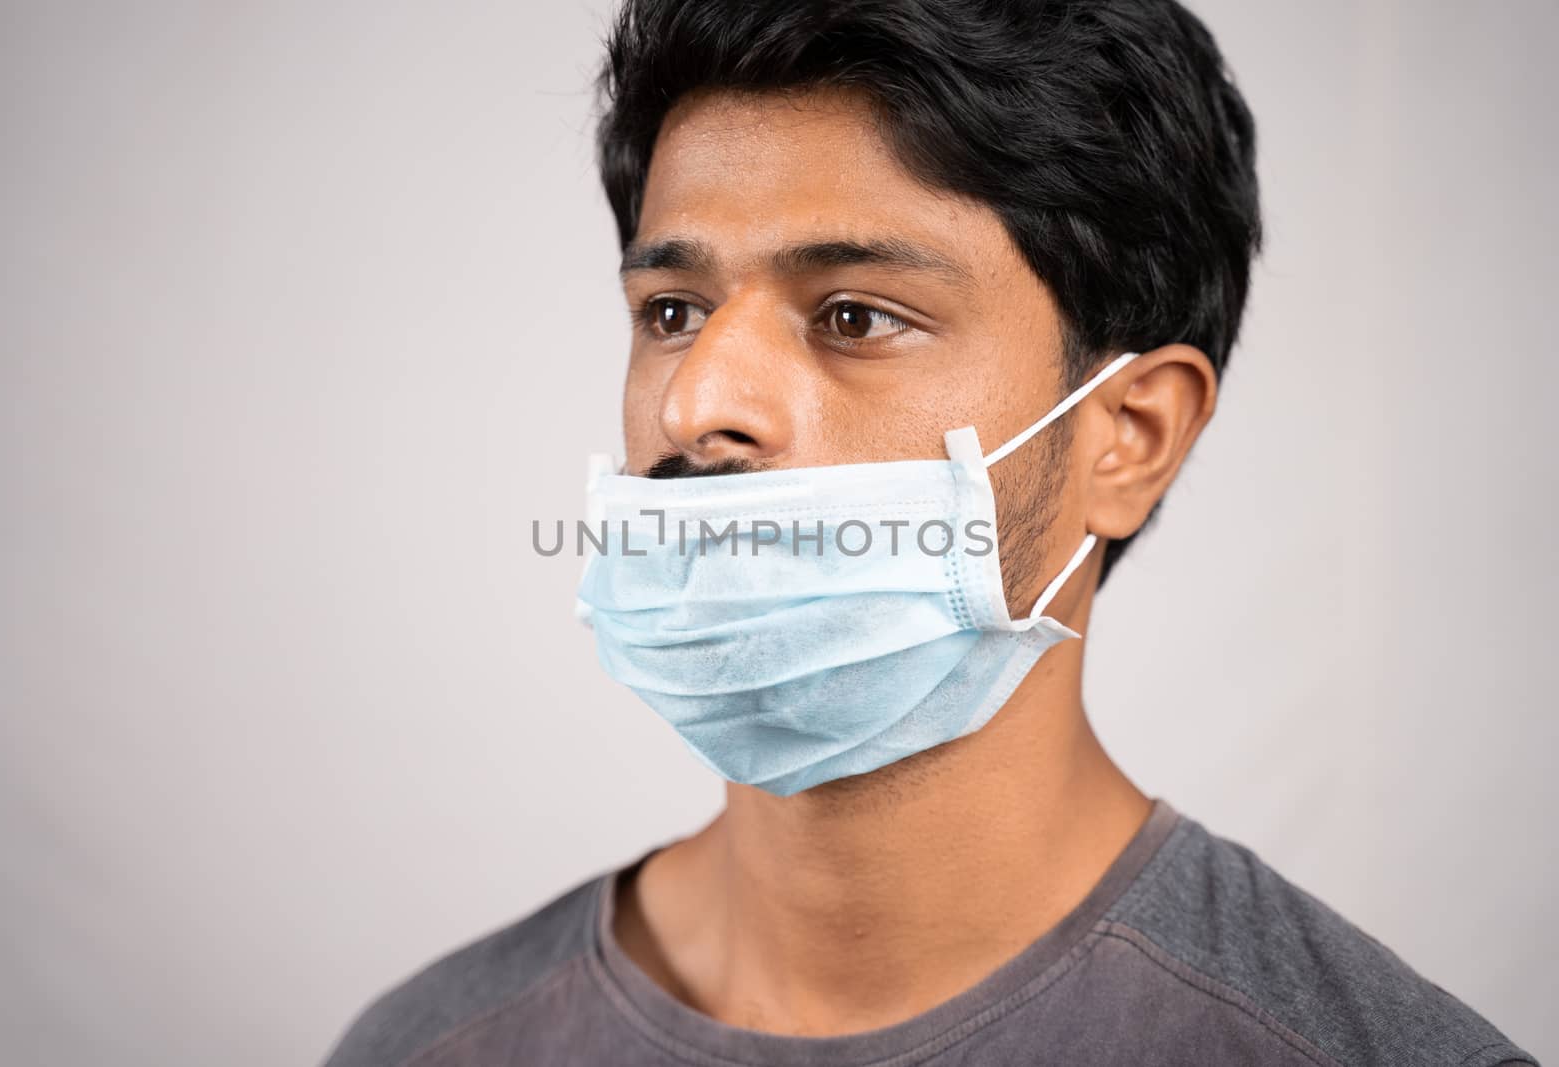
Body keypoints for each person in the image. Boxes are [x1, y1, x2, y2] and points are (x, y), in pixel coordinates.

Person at [323, 0, 1538, 1064]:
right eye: (674, 310)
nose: (699, 404)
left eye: (855, 313)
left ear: (1129, 435)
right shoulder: (427, 1043)